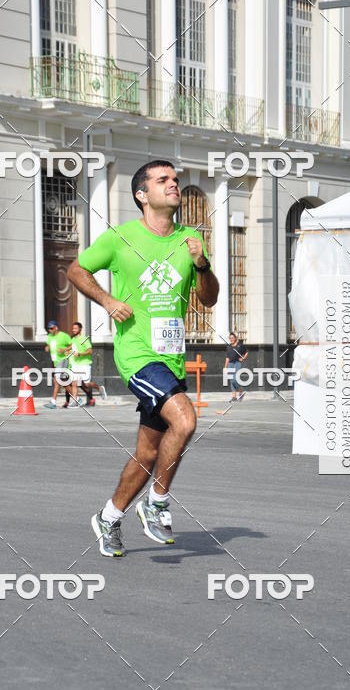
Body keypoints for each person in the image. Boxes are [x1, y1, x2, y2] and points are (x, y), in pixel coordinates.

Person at [67, 160, 219, 557]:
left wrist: (202, 264)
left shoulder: (190, 239)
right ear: (142, 194)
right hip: (137, 355)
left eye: (175, 180)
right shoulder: (120, 238)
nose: (174, 185)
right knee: (185, 419)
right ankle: (158, 502)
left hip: (171, 359)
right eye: (162, 180)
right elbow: (76, 270)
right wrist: (108, 300)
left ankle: (109, 517)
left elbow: (209, 298)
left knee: (150, 452)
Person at [65, 322, 106, 407]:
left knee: (87, 384)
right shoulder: (73, 339)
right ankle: (75, 401)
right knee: (74, 383)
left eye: (75, 328)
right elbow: (74, 350)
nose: (73, 330)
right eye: (73, 328)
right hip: (75, 365)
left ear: (80, 329)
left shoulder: (84, 339)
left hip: (84, 364)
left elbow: (90, 351)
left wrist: (80, 354)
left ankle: (99, 388)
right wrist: (68, 352)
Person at [44, 320, 72, 408]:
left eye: (51, 328)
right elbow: (48, 344)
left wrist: (64, 350)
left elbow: (72, 345)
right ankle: (76, 398)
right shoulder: (49, 336)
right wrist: (47, 347)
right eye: (49, 329)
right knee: (58, 382)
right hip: (54, 361)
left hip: (62, 360)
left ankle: (53, 402)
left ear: (56, 327)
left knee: (59, 380)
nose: (50, 330)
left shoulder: (64, 336)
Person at [224, 331, 248, 402]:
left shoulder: (240, 345)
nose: (231, 339)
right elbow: (227, 357)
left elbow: (246, 352)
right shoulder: (229, 346)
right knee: (231, 381)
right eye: (230, 338)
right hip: (230, 364)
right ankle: (234, 397)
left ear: (235, 338)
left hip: (237, 363)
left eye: (232, 338)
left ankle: (240, 391)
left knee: (235, 379)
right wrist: (225, 366)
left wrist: (243, 358)